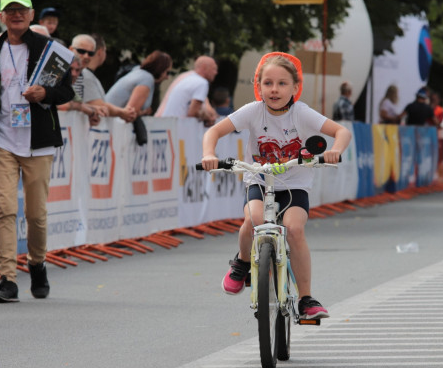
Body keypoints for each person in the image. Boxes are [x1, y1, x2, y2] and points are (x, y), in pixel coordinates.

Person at [201, 52, 351, 320]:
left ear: (295, 87)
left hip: (294, 185)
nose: (274, 89)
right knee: (254, 220)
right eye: (267, 83)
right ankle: (242, 263)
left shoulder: (301, 113)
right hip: (259, 178)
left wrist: (335, 151)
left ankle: (306, 299)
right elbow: (213, 132)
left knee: (294, 230)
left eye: (282, 83)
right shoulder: (252, 111)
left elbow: (342, 132)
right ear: (258, 86)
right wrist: (209, 155)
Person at [0, 0, 75, 304]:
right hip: (2, 142)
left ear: (31, 14)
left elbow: (69, 91)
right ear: (1, 17)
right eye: (9, 10)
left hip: (38, 143)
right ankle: (7, 278)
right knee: (4, 209)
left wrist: (45, 95)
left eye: (21, 10)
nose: (16, 15)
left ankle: (37, 264)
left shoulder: (49, 49)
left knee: (36, 214)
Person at [60, 34, 136, 122]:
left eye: (90, 53)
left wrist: (91, 111)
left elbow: (79, 103)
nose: (86, 56)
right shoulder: (59, 72)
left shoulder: (83, 74)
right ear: (70, 49)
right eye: (81, 51)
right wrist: (123, 112)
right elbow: (64, 104)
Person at [105, 50, 172, 116]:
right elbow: (131, 113)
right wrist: (144, 112)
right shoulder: (146, 79)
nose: (167, 77)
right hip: (109, 122)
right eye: (167, 72)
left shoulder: (137, 71)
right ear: (159, 69)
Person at [156, 55, 219, 125]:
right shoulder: (202, 83)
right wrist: (207, 118)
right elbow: (192, 112)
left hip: (164, 122)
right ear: (204, 67)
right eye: (214, 69)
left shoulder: (184, 77)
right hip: (178, 126)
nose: (216, 72)